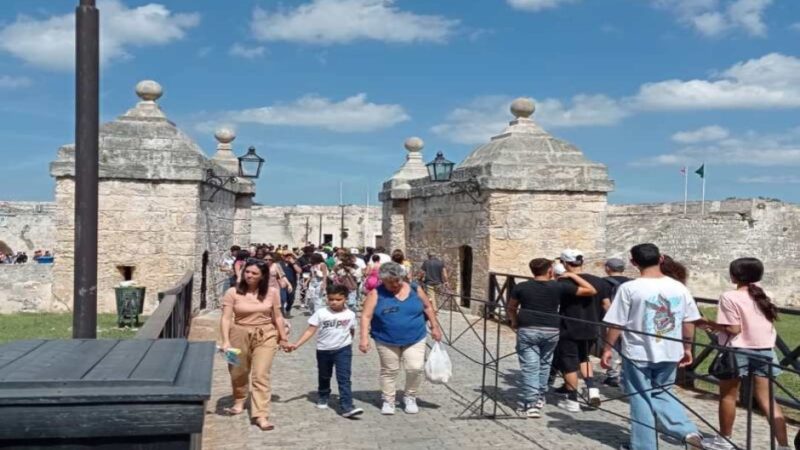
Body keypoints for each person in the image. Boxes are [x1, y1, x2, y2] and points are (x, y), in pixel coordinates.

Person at [601, 243, 703, 450]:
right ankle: (687, 431)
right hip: (669, 351)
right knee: (663, 393)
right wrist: (687, 348)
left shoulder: (629, 288)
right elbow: (689, 321)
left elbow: (617, 322)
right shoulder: (679, 287)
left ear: (633, 263)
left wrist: (607, 348)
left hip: (639, 352)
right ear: (661, 259)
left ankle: (644, 446)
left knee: (641, 398)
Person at [700, 258, 790, 450]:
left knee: (728, 396)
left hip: (738, 350)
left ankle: (724, 440)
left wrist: (709, 323)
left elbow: (733, 329)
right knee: (767, 400)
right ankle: (783, 446)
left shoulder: (729, 296)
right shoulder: (767, 294)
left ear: (734, 276)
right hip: (765, 350)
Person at [506, 258, 596, 418]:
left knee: (530, 366)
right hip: (551, 330)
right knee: (544, 365)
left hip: (528, 328)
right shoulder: (559, 286)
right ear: (550, 271)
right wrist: (572, 275)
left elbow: (511, 307)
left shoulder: (521, 287)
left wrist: (514, 321)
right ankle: (539, 397)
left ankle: (530, 403)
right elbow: (590, 290)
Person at [359, 262, 443, 415]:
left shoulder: (415, 288)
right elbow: (366, 316)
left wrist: (434, 326)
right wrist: (364, 338)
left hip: (415, 336)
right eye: (389, 283)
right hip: (385, 339)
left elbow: (427, 307)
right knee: (389, 370)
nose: (394, 285)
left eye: (396, 281)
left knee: (415, 368)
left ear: (401, 277)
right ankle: (388, 399)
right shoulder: (376, 293)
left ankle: (410, 396)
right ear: (382, 281)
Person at [219, 258, 290, 431]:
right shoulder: (232, 292)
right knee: (237, 371)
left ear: (262, 276)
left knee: (260, 374)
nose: (249, 275)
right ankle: (239, 400)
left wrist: (283, 338)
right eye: (247, 272)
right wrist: (225, 341)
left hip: (265, 334)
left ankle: (261, 414)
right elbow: (226, 318)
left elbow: (278, 316)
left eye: (254, 273)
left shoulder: (272, 292)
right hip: (238, 334)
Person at [286, 284, 364, 418]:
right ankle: (323, 395)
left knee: (344, 378)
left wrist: (349, 343)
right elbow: (310, 330)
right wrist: (297, 344)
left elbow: (351, 330)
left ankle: (347, 406)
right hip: (323, 349)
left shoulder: (350, 315)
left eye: (338, 299)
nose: (334, 302)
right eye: (331, 299)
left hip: (343, 350)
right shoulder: (321, 313)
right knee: (324, 375)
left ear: (345, 299)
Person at [554, 249, 605, 412]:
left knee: (569, 362)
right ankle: (592, 390)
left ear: (565, 263)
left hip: (570, 326)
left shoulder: (564, 282)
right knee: (584, 357)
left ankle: (572, 399)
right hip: (591, 325)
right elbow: (605, 304)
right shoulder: (599, 281)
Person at [602, 258, 633, 387]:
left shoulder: (603, 283)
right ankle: (628, 375)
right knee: (628, 347)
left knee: (612, 345)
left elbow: (604, 302)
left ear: (608, 268)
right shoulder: (632, 283)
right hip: (630, 320)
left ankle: (613, 375)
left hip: (612, 319)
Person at [279, 252, 302, 318]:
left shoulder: (295, 263)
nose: (288, 257)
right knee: (282, 299)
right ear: (282, 256)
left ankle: (288, 309)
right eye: (286, 255)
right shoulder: (279, 263)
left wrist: (293, 263)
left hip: (292, 284)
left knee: (291, 299)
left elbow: (299, 271)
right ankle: (282, 313)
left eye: (289, 255)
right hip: (281, 284)